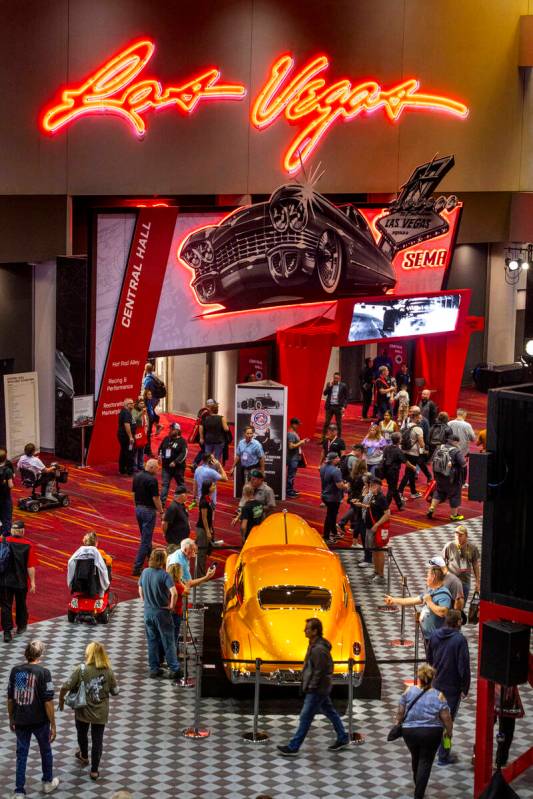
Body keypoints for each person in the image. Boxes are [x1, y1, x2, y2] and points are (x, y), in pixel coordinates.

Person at [277, 617, 349, 755]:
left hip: (317, 689)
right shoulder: (314, 645)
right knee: (330, 712)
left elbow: (319, 671)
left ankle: (293, 746)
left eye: (308, 628)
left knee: (305, 717)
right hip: (321, 688)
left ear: (315, 631)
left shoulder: (318, 649)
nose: (305, 630)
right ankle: (343, 737)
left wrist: (311, 686)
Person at [58, 642, 118, 781]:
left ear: (89, 653)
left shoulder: (81, 669)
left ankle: (84, 756)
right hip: (101, 712)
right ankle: (94, 771)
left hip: (82, 710)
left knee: (82, 733)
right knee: (98, 740)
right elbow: (115, 691)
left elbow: (65, 686)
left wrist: (61, 700)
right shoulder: (108, 670)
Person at [7, 640, 59, 796]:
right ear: (40, 655)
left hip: (21, 720)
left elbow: (11, 698)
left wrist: (12, 718)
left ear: (26, 654)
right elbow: (48, 701)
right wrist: (53, 724)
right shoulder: (44, 673)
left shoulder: (16, 671)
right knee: (45, 750)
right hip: (40, 721)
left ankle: (19, 791)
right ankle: (47, 782)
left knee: (21, 754)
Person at [395, 663, 453, 799]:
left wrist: (397, 723)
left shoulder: (408, 691)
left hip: (410, 732)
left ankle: (417, 785)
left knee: (416, 758)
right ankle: (419, 794)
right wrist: (449, 732)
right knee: (425, 761)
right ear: (433, 678)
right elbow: (446, 718)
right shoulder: (439, 696)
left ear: (418, 677)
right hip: (431, 733)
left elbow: (400, 712)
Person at [427, 609, 470, 766]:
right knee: (447, 723)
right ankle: (444, 755)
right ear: (458, 622)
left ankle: (431, 750)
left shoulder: (434, 635)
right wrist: (465, 687)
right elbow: (463, 667)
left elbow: (429, 657)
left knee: (435, 718)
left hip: (436, 684)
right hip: (452, 688)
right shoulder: (460, 640)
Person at [138, 548, 181, 680]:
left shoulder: (145, 572)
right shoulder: (165, 575)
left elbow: (140, 589)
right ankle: (174, 669)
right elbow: (174, 593)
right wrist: (171, 606)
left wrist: (145, 601)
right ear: (163, 560)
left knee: (152, 640)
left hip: (148, 612)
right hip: (162, 612)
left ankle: (154, 669)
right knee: (168, 640)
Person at [385, 564, 453, 645]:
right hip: (429, 637)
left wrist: (429, 602)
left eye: (427, 576)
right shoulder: (432, 591)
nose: (426, 578)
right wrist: (394, 600)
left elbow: (443, 612)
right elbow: (413, 600)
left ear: (433, 576)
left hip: (438, 639)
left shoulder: (444, 594)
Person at [0, 520, 38, 642]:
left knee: (6, 606)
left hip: (4, 581)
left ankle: (7, 632)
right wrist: (32, 582)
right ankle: (21, 626)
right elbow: (30, 566)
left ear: (12, 530)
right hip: (21, 582)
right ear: (22, 531)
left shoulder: (3, 541)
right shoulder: (28, 545)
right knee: (21, 604)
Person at [132, 459, 163, 576]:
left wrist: (136, 506)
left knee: (146, 536)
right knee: (145, 540)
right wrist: (161, 511)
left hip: (138, 509)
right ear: (151, 468)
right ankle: (137, 566)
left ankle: (151, 557)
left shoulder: (137, 476)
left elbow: (133, 493)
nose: (158, 469)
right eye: (157, 467)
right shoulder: (152, 480)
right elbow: (156, 498)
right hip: (148, 511)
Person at [427, 433, 467, 522]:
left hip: (439, 476)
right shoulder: (456, 451)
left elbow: (433, 461)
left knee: (439, 491)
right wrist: (463, 479)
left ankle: (432, 508)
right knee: (454, 494)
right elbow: (463, 465)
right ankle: (454, 515)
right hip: (452, 478)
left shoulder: (439, 448)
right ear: (455, 442)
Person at [442, 525, 481, 604]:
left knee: (461, 605)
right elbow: (442, 562)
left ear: (466, 535)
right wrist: (446, 574)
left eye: (460, 535)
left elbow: (475, 564)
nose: (458, 537)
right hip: (451, 581)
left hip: (465, 581)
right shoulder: (449, 546)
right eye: (456, 535)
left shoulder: (472, 548)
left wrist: (477, 582)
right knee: (449, 604)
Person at [364, 477, 390, 583]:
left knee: (379, 551)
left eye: (374, 486)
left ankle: (381, 575)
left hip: (377, 529)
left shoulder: (381, 498)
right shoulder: (373, 496)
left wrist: (377, 525)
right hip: (371, 528)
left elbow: (387, 514)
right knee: (374, 551)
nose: (372, 488)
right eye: (371, 486)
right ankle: (376, 572)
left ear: (379, 486)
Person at [398, 408, 426, 500]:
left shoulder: (406, 426)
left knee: (411, 473)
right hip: (413, 453)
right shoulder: (418, 429)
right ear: (417, 417)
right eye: (419, 417)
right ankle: (400, 492)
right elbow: (421, 444)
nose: (420, 419)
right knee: (408, 473)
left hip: (405, 451)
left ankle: (413, 492)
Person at [158, 422, 187, 505]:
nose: (170, 430)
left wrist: (175, 462)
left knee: (180, 485)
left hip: (178, 468)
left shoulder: (182, 441)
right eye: (170, 429)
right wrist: (159, 456)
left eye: (172, 429)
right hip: (166, 467)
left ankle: (182, 502)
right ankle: (161, 503)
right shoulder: (166, 439)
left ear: (177, 430)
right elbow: (160, 448)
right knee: (165, 485)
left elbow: (184, 454)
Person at [337, 458, 367, 539]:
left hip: (352, 495)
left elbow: (348, 487)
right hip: (358, 496)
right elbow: (365, 488)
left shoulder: (352, 475)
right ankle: (341, 523)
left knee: (353, 510)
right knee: (354, 511)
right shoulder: (363, 477)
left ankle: (352, 527)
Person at [382, 431, 412, 511]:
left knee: (394, 488)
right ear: (399, 440)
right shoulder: (398, 450)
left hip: (386, 470)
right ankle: (385, 507)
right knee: (391, 489)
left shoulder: (387, 447)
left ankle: (399, 504)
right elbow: (405, 461)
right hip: (393, 472)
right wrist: (413, 467)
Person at [319, 452, 345, 543]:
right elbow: (340, 486)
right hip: (333, 497)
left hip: (325, 495)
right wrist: (347, 486)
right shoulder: (336, 471)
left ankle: (334, 532)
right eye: (337, 457)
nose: (339, 459)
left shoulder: (322, 467)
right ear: (333, 460)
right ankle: (326, 537)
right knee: (330, 516)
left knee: (332, 515)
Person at [449, 408, 475, 485]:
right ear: (464, 415)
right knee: (463, 465)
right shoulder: (467, 425)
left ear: (457, 414)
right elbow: (473, 438)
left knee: (451, 465)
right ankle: (463, 483)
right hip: (463, 450)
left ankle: (451, 481)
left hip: (451, 449)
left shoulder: (449, 423)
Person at [196, 480, 215, 577]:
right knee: (201, 553)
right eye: (212, 485)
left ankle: (202, 574)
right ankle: (200, 576)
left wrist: (211, 528)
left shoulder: (208, 499)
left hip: (207, 528)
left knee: (205, 552)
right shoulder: (204, 501)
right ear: (208, 488)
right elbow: (204, 518)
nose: (214, 486)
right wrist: (208, 531)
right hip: (202, 529)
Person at [167, 561, 188, 647]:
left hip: (167, 611)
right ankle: (172, 655)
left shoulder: (169, 584)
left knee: (168, 634)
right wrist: (181, 582)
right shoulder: (178, 586)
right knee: (174, 635)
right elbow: (186, 591)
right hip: (176, 612)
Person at [286, 417, 309, 498]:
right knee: (291, 475)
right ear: (293, 424)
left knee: (292, 475)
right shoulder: (291, 434)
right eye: (297, 424)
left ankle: (290, 489)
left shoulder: (293, 432)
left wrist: (302, 441)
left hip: (294, 457)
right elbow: (291, 446)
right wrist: (302, 442)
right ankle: (289, 491)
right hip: (292, 458)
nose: (298, 426)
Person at [323, 371, 348, 436]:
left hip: (338, 407)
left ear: (339, 378)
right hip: (330, 406)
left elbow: (346, 397)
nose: (335, 379)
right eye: (334, 378)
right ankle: (323, 438)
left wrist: (344, 407)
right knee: (326, 423)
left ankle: (339, 438)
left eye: (337, 378)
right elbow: (325, 393)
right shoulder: (329, 384)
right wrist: (330, 386)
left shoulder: (343, 386)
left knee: (339, 424)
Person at [116, 398, 135, 475]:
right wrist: (130, 437)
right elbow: (127, 425)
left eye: (133, 403)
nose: (133, 404)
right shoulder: (126, 413)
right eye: (131, 403)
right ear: (127, 405)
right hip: (126, 436)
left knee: (123, 452)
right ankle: (129, 471)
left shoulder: (125, 412)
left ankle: (122, 469)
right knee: (129, 453)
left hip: (123, 435)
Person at [0, 446, 14, 533]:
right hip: (5, 497)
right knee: (7, 515)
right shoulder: (8, 470)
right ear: (5, 459)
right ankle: (6, 533)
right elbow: (10, 485)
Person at [131, 396, 148, 472]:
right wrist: (141, 413)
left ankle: (140, 465)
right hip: (137, 433)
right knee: (135, 451)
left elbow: (146, 421)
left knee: (142, 450)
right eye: (141, 403)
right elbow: (134, 418)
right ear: (137, 404)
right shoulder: (134, 411)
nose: (142, 405)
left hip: (143, 433)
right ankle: (134, 466)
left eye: (143, 403)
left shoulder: (144, 411)